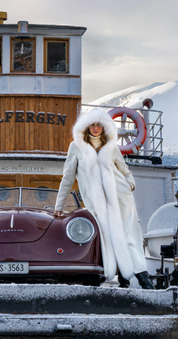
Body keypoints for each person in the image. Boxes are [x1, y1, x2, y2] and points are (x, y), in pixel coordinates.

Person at [55, 109, 151, 289]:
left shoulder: (111, 147)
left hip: (121, 198)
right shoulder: (76, 147)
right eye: (93, 124)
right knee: (104, 237)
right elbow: (67, 178)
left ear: (105, 127)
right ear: (86, 126)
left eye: (100, 124)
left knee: (129, 236)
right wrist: (59, 206)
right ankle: (116, 277)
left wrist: (129, 185)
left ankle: (143, 280)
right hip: (96, 204)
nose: (96, 128)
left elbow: (126, 172)